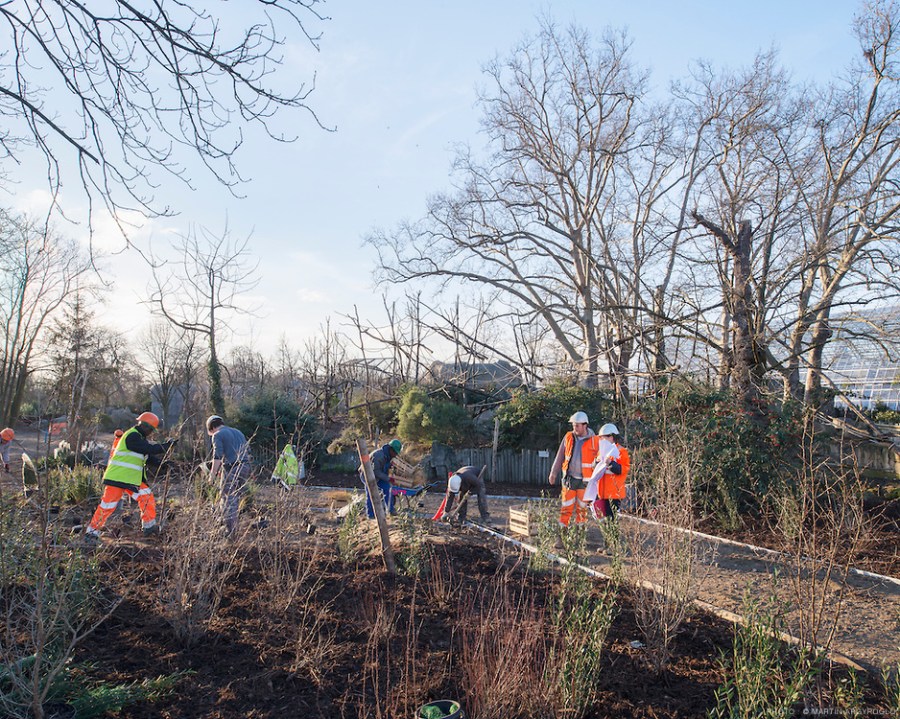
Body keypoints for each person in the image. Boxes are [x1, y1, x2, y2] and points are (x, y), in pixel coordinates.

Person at [85, 412, 175, 543]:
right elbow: (148, 449)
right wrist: (166, 446)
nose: (150, 433)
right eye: (150, 430)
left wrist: (164, 465)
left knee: (147, 496)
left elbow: (147, 456)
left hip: (130, 479)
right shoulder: (132, 436)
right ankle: (91, 533)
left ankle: (149, 527)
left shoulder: (138, 438)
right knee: (107, 506)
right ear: (145, 426)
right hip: (118, 478)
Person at [548, 411, 602, 526]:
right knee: (566, 508)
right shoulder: (568, 437)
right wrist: (553, 472)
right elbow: (560, 455)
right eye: (573, 425)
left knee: (582, 511)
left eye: (577, 425)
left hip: (585, 483)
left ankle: (579, 536)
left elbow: (601, 462)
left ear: (585, 425)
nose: (575, 428)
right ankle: (561, 536)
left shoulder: (595, 441)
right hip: (570, 480)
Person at [206, 415, 252, 536]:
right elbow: (248, 451)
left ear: (211, 428)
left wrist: (212, 475)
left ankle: (230, 531)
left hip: (233, 467)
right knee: (235, 496)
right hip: (245, 466)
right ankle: (227, 523)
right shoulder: (238, 432)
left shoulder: (218, 434)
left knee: (228, 498)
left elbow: (217, 456)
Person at [590, 423, 630, 521]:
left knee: (612, 521)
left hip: (614, 494)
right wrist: (596, 462)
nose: (601, 441)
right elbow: (593, 468)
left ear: (611, 437)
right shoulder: (602, 452)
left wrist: (610, 463)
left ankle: (613, 536)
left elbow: (623, 470)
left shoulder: (621, 451)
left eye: (603, 438)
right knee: (603, 522)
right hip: (602, 493)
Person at [360, 439, 401, 519]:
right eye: (395, 453)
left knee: (388, 489)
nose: (395, 455)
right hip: (367, 475)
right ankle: (371, 515)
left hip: (379, 476)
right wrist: (388, 479)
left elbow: (383, 469)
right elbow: (376, 472)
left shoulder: (388, 455)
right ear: (391, 449)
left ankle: (391, 510)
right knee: (371, 494)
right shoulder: (379, 455)